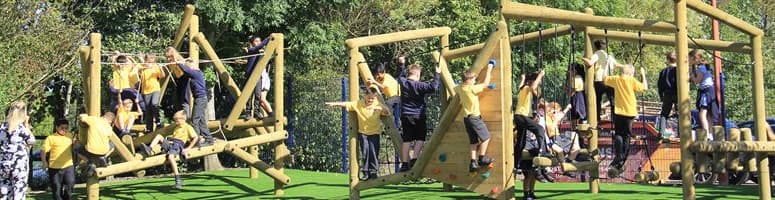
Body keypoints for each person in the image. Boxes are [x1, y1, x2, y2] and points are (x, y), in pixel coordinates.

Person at [326, 86, 389, 179]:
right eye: (369, 98)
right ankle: (366, 172)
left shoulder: (378, 105)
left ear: (375, 97)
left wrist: (381, 110)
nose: (370, 100)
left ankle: (374, 171)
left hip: (375, 133)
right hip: (363, 133)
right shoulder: (359, 104)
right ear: (365, 96)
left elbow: (387, 113)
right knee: (365, 151)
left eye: (372, 98)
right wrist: (333, 104)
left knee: (374, 152)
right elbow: (346, 104)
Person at [397, 56, 440, 172]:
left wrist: (402, 64)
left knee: (407, 140)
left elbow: (400, 76)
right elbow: (434, 87)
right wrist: (437, 74)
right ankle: (415, 158)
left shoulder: (404, 83)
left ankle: (405, 163)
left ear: (409, 74)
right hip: (418, 115)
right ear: (418, 74)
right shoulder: (420, 85)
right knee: (420, 138)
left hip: (406, 115)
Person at [166, 47, 215, 146]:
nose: (188, 67)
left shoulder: (196, 73)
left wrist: (177, 61)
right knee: (201, 121)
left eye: (190, 66)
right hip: (200, 99)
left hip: (201, 99)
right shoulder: (195, 73)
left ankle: (196, 140)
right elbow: (182, 73)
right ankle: (209, 139)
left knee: (194, 120)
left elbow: (185, 69)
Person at [604, 64, 648, 172]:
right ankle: (622, 158)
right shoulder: (632, 80)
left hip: (619, 111)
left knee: (618, 134)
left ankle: (619, 156)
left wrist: (606, 65)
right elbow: (644, 88)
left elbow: (604, 78)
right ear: (631, 73)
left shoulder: (616, 79)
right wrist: (643, 74)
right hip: (630, 112)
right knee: (627, 135)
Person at [455, 59, 496, 172]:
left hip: (466, 119)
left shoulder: (460, 88)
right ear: (468, 80)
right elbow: (486, 82)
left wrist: (486, 87)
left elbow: (455, 87)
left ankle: (472, 163)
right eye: (473, 79)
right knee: (486, 137)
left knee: (473, 141)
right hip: (474, 118)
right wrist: (490, 67)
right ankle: (482, 158)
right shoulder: (472, 88)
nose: (475, 80)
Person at [146, 111, 199, 189]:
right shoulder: (176, 127)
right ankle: (149, 149)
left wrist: (188, 148)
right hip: (171, 143)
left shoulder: (188, 127)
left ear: (183, 119)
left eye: (177, 120)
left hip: (178, 145)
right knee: (159, 136)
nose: (175, 121)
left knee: (171, 157)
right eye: (175, 120)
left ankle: (178, 179)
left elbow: (195, 137)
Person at [514, 70, 551, 168]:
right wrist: (540, 75)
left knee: (521, 142)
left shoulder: (523, 88)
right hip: (521, 116)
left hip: (519, 117)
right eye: (537, 81)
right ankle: (543, 151)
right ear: (531, 81)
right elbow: (533, 87)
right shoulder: (527, 88)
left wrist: (522, 79)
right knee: (540, 129)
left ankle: (516, 163)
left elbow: (534, 91)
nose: (538, 83)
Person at [582, 40, 625, 122]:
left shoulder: (596, 54)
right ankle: (615, 118)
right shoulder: (608, 56)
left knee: (597, 100)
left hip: (599, 80)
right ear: (604, 46)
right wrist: (625, 66)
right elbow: (616, 65)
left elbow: (590, 63)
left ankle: (597, 118)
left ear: (595, 47)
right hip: (609, 80)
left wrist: (583, 58)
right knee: (612, 100)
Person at [0, 101, 35, 200]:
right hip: (19, 165)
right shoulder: (21, 128)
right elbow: (31, 141)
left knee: (4, 192)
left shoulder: (2, 128)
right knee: (19, 193)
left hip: (3, 164)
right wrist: (26, 124)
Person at [41, 119, 75, 200]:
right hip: (54, 168)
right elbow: (43, 151)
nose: (64, 130)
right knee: (56, 189)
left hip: (68, 166)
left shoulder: (70, 136)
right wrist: (44, 162)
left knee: (70, 184)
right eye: (62, 128)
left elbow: (75, 146)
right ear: (57, 127)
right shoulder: (51, 138)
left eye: (66, 128)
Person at [690, 49, 718, 141]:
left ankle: (706, 133)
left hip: (706, 91)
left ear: (695, 58)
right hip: (709, 90)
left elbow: (697, 81)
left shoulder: (702, 68)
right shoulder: (704, 67)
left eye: (690, 59)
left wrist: (690, 75)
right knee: (708, 115)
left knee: (702, 114)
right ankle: (710, 134)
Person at [244, 35, 273, 119]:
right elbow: (259, 46)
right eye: (256, 41)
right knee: (249, 95)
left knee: (258, 95)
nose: (258, 43)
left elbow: (263, 51)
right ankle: (248, 113)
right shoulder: (251, 50)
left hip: (258, 76)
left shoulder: (259, 52)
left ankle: (257, 112)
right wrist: (268, 38)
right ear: (252, 43)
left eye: (259, 41)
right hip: (250, 76)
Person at [367, 62, 401, 133]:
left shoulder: (387, 77)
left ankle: (396, 127)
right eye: (377, 74)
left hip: (397, 95)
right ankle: (395, 126)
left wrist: (374, 82)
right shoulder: (378, 79)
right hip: (392, 97)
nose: (378, 76)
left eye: (379, 74)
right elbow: (375, 85)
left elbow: (383, 86)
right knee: (396, 114)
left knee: (387, 105)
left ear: (384, 72)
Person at [139, 54, 165, 132]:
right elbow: (139, 69)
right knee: (148, 109)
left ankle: (158, 121)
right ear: (146, 60)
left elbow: (162, 75)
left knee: (154, 104)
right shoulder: (142, 67)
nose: (151, 61)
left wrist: (160, 67)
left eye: (153, 59)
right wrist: (141, 60)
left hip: (155, 89)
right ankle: (149, 128)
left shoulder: (155, 66)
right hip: (146, 91)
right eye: (149, 59)